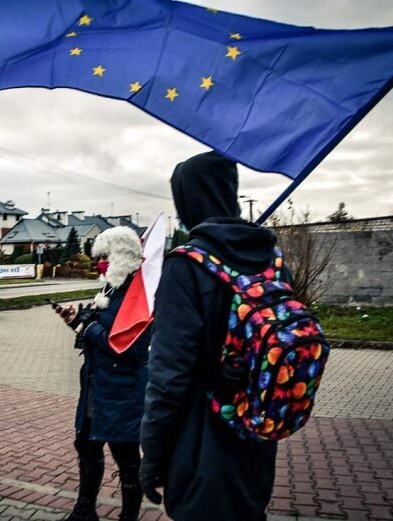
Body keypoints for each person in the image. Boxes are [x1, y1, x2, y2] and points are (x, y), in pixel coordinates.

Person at [139, 151, 279, 521]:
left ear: (187, 201)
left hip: (202, 447)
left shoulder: (187, 265)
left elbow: (168, 378)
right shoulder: (271, 260)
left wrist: (152, 453)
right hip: (257, 439)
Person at [56, 227, 150, 521]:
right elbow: (96, 335)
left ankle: (128, 517)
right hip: (95, 387)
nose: (101, 264)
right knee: (86, 446)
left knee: (127, 459)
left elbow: (131, 350)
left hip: (124, 393)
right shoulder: (111, 288)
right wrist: (76, 320)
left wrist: (91, 329)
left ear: (122, 256)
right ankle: (85, 510)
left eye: (106, 257)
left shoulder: (140, 296)